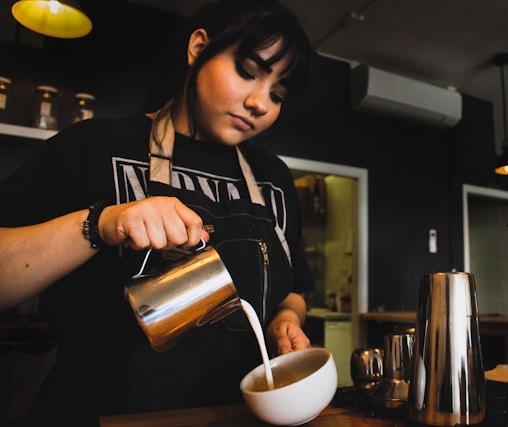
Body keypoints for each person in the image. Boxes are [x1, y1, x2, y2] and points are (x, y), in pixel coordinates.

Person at [0, 0, 315, 418]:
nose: (260, 102)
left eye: (277, 94)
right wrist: (102, 223)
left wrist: (285, 319)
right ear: (198, 48)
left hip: (234, 416)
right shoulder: (94, 146)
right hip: (100, 416)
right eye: (247, 72)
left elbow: (292, 290)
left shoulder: (273, 178)